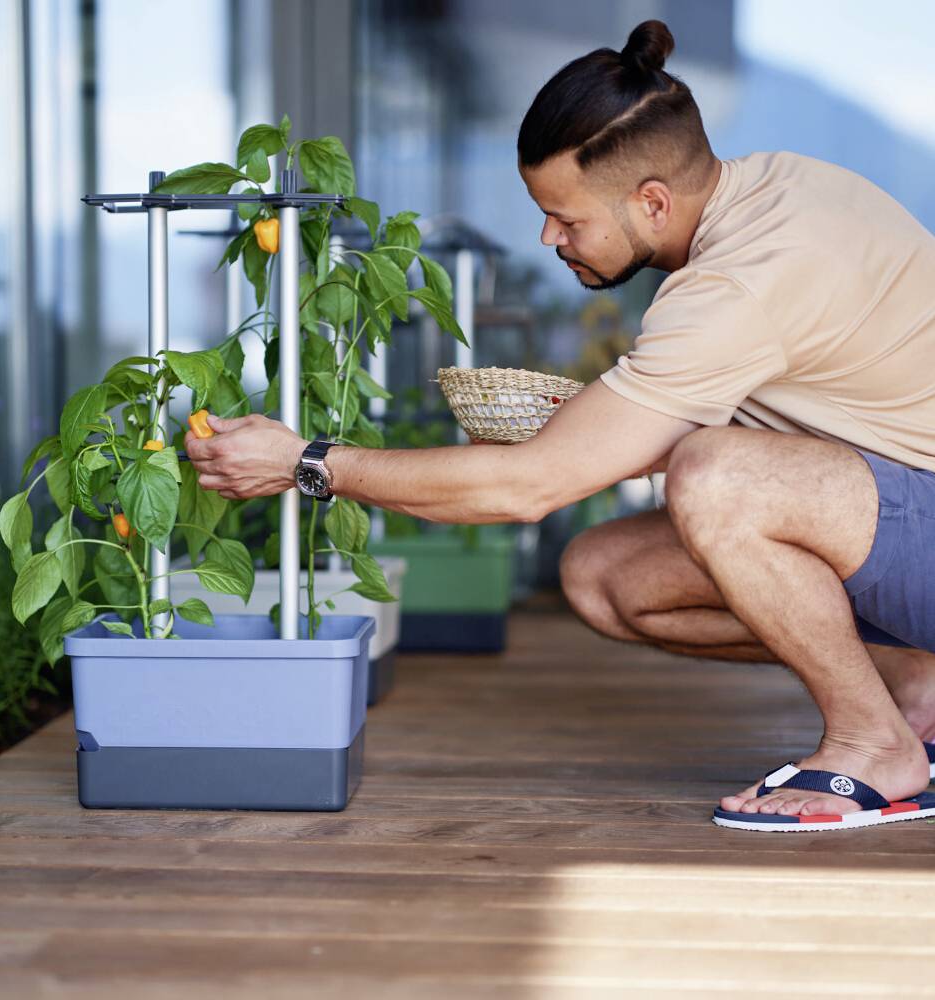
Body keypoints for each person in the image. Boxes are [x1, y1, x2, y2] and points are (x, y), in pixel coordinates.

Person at [187, 20, 935, 831]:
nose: (550, 237)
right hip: (896, 510)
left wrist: (308, 461)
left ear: (653, 200)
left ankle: (874, 747)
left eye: (567, 218)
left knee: (720, 478)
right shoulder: (779, 185)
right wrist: (592, 428)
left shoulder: (733, 285)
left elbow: (529, 488)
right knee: (604, 575)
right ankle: (914, 686)